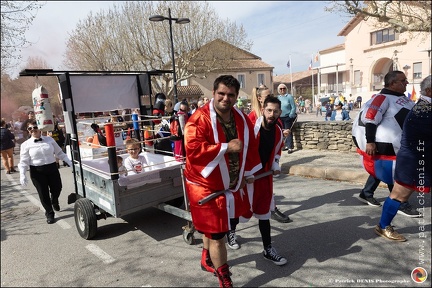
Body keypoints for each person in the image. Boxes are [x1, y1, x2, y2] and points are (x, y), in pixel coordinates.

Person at [183, 75, 261, 288]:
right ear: (214, 93)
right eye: (221, 94)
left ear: (236, 96)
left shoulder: (241, 118)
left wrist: (247, 173)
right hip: (205, 185)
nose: (226, 98)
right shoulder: (198, 120)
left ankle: (206, 258)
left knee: (213, 229)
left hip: (232, 183)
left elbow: (250, 146)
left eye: (231, 95)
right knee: (218, 234)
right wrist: (226, 147)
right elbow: (193, 150)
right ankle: (224, 278)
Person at [352, 71, 419, 217]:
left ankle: (366, 193)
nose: (406, 82)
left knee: (382, 170)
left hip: (399, 146)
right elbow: (370, 119)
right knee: (394, 172)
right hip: (386, 146)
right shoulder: (382, 98)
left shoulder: (404, 99)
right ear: (392, 83)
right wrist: (370, 142)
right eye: (403, 80)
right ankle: (400, 203)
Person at [231, 96, 288, 266]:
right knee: (240, 208)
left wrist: (276, 163)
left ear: (280, 113)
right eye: (269, 110)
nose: (272, 114)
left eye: (276, 111)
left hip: (264, 178)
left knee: (264, 213)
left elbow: (278, 150)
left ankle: (268, 249)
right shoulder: (251, 127)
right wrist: (245, 172)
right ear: (263, 109)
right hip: (247, 176)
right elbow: (242, 150)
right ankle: (230, 232)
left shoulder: (278, 131)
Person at [375, 75, 431, 241]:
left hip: (421, 159)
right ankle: (383, 226)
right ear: (429, 90)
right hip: (412, 161)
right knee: (399, 195)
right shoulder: (422, 110)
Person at [247, 86, 292, 224]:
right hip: (253, 164)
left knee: (267, 190)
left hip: (267, 163)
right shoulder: (252, 117)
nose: (272, 98)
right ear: (260, 99)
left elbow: (276, 142)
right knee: (245, 197)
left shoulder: (276, 118)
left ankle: (271, 209)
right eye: (267, 97)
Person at [18, 121, 72, 224]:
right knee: (43, 193)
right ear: (28, 131)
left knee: (57, 187)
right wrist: (22, 174)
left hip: (51, 167)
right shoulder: (26, 144)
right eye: (30, 129)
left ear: (40, 128)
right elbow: (24, 161)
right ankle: (49, 213)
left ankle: (54, 200)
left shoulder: (49, 140)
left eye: (35, 127)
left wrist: (69, 162)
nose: (33, 130)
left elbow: (59, 153)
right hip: (37, 171)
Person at [277, 84, 297, 154]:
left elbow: (293, 107)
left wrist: (291, 115)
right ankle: (284, 145)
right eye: (281, 89)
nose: (282, 90)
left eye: (284, 88)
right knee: (281, 132)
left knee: (288, 131)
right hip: (280, 117)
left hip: (287, 117)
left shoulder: (289, 97)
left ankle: (290, 147)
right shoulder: (278, 98)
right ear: (279, 90)